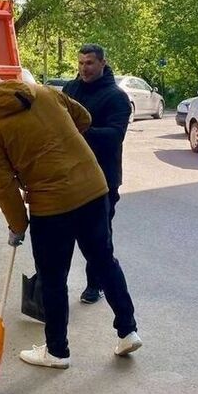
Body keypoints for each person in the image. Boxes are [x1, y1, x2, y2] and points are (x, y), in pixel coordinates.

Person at [0, 74, 141, 369]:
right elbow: (84, 118)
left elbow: (2, 183)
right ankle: (128, 331)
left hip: (51, 205)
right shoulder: (44, 92)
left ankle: (57, 351)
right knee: (104, 260)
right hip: (92, 187)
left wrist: (17, 225)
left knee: (53, 278)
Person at [62, 44, 132, 304]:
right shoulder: (70, 89)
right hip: (69, 174)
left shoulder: (116, 97)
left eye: (89, 63)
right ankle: (54, 286)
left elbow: (114, 136)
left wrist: (79, 133)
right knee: (62, 234)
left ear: (103, 63)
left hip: (103, 178)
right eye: (80, 63)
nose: (84, 68)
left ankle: (95, 284)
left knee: (98, 237)